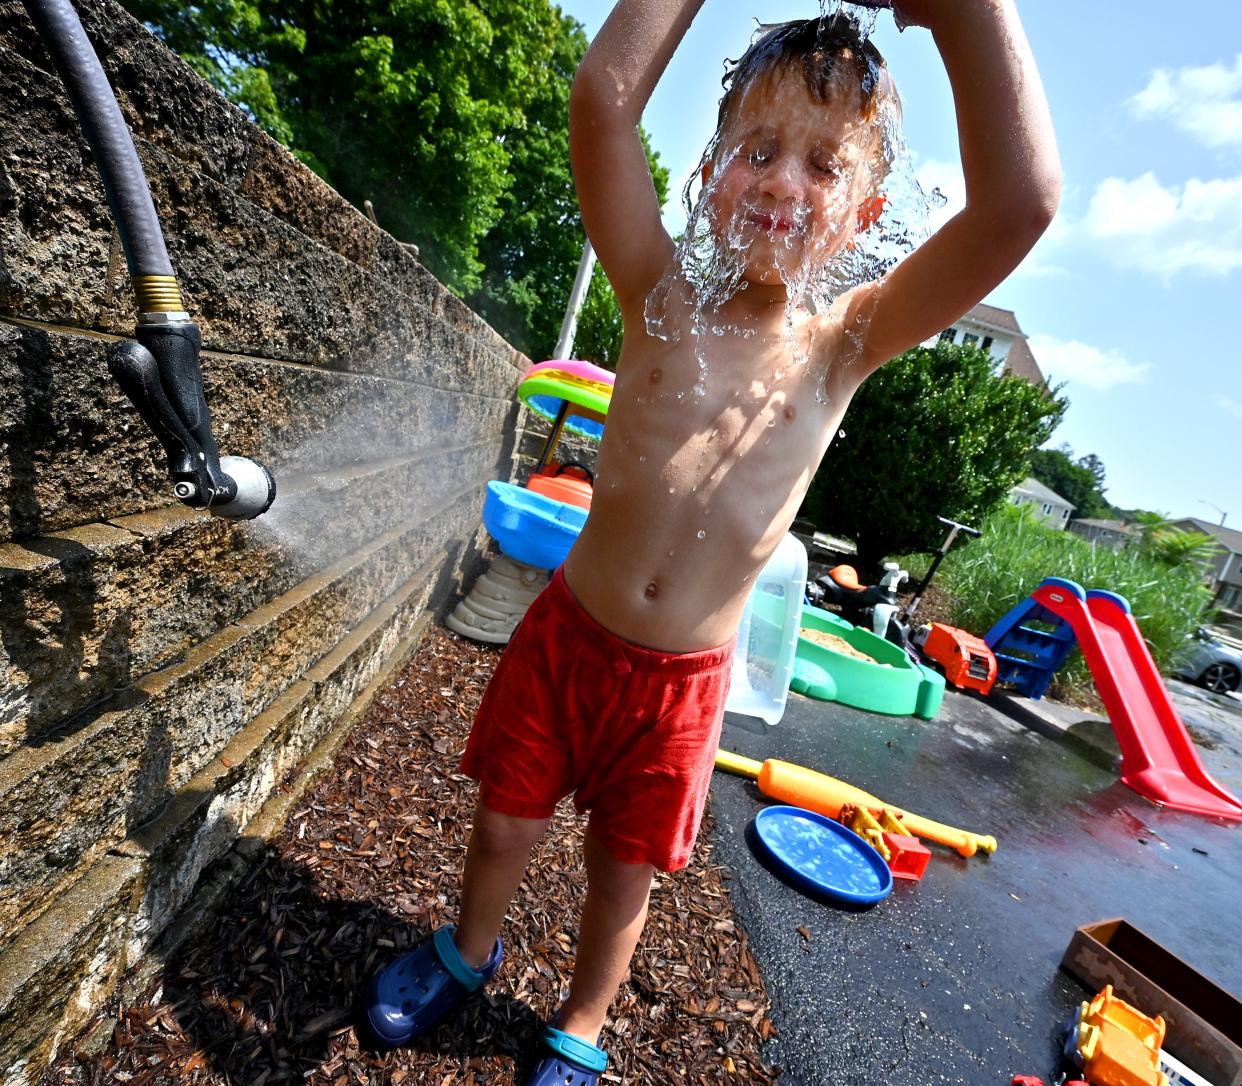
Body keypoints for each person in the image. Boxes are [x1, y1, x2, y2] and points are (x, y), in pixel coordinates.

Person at [364, 1, 1059, 1082]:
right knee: (503, 827)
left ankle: (583, 1023)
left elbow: (1019, 206)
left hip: (679, 688)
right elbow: (601, 103)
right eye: (760, 151)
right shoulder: (657, 298)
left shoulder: (845, 347)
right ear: (706, 176)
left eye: (824, 164)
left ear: (867, 209)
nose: (785, 182)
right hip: (570, 641)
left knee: (623, 875)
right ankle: (467, 949)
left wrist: (972, 13)